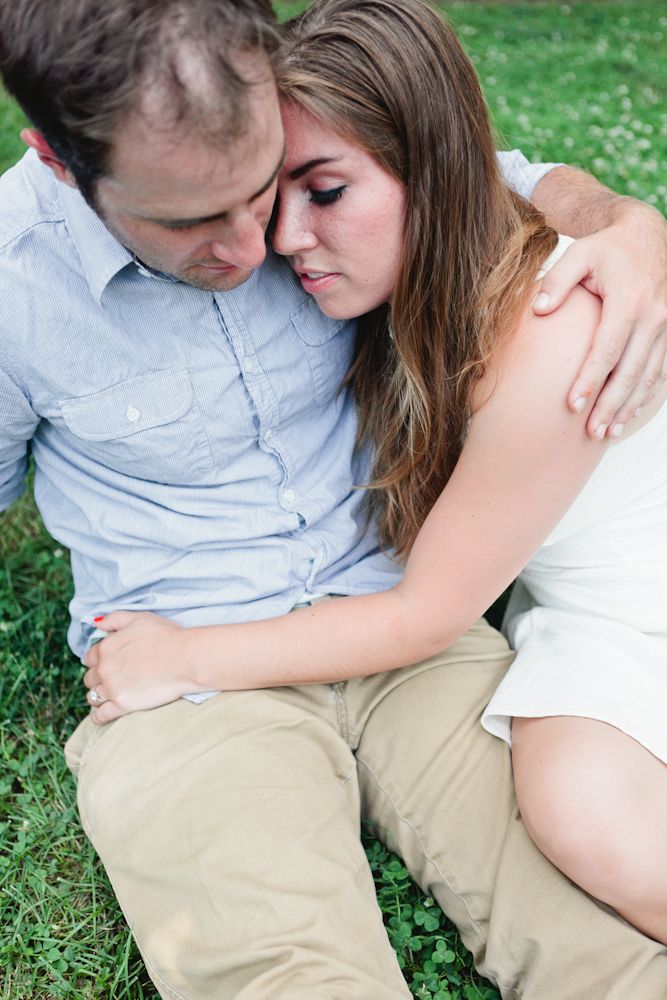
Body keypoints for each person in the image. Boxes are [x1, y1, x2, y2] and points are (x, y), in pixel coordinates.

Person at [1, 0, 666, 996]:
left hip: (411, 625)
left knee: (598, 938)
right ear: (61, 161)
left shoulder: (336, 172)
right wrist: (170, 660)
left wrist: (628, 221)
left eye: (267, 186)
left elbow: (481, 172)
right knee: (289, 975)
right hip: (184, 672)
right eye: (190, 218)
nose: (254, 244)